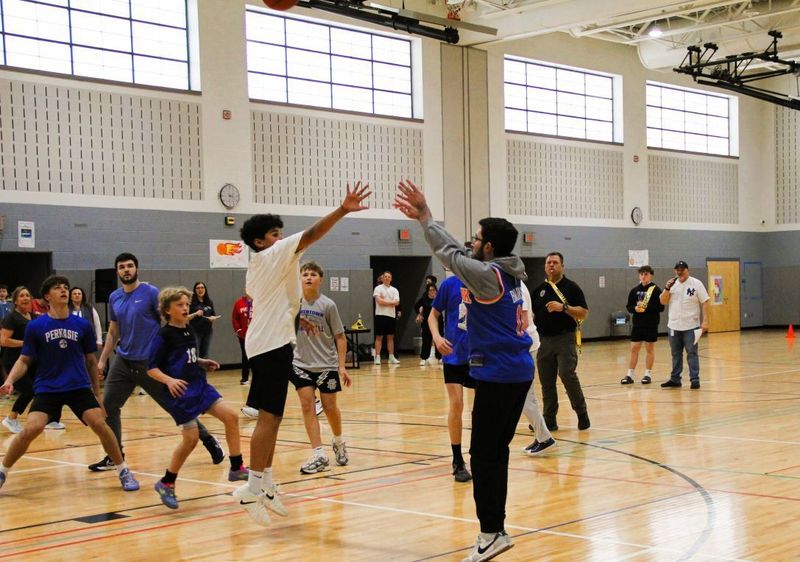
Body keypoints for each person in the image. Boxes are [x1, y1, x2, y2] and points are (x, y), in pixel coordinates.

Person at [395, 180, 531, 562]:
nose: (471, 242)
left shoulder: (490, 276)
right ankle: (496, 527)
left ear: (488, 246)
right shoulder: (511, 274)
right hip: (515, 372)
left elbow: (450, 254)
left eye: (477, 238)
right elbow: (458, 254)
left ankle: (491, 532)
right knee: (494, 452)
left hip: (500, 374)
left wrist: (425, 216)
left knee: (483, 454)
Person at [233, 181, 370, 527]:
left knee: (274, 417)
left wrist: (299, 323)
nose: (283, 238)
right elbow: (310, 234)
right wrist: (343, 210)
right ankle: (251, 487)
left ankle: (264, 482)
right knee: (268, 417)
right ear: (261, 241)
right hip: (269, 346)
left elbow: (280, 300)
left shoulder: (265, 265)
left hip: (271, 342)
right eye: (276, 233)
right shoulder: (271, 254)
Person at [0, 275, 139, 492]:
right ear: (47, 296)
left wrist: (97, 396)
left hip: (78, 387)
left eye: (66, 287)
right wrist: (9, 381)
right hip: (48, 388)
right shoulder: (36, 327)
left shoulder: (82, 325)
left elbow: (91, 362)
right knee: (31, 429)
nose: (64, 291)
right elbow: (24, 360)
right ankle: (2, 471)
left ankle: (123, 469)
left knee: (101, 424)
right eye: (58, 288)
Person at [89, 253, 223, 472]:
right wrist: (103, 360)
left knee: (175, 406)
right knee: (109, 407)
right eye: (122, 267)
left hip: (149, 363)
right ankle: (114, 456)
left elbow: (170, 322)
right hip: (123, 361)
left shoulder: (150, 293)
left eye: (130, 266)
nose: (126, 270)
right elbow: (114, 330)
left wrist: (187, 356)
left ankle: (208, 440)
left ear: (137, 269)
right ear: (117, 271)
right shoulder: (115, 297)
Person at [148, 287, 249, 509]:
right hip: (181, 392)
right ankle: (167, 482)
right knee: (191, 439)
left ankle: (236, 468)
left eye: (186, 304)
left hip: (200, 386)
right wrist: (169, 381)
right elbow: (151, 368)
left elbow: (186, 357)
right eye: (180, 305)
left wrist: (201, 362)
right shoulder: (164, 335)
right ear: (167, 310)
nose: (185, 308)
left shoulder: (188, 330)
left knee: (231, 417)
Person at [292, 262, 351, 474]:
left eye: (313, 274)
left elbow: (340, 337)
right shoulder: (293, 303)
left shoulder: (328, 305)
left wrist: (342, 366)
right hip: (300, 364)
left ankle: (339, 441)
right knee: (307, 406)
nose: (308, 277)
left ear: (320, 279)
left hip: (326, 364)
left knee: (330, 408)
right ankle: (318, 452)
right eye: (305, 274)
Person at [531, 252, 590, 431]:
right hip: (543, 340)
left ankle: (581, 412)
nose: (551, 265)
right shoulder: (539, 290)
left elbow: (583, 313)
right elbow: (532, 314)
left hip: (565, 339)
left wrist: (563, 308)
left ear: (562, 266)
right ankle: (549, 419)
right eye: (548, 262)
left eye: (555, 262)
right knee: (546, 381)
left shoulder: (572, 288)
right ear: (545, 266)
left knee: (567, 374)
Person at [429, 273, 473, 482]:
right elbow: (432, 315)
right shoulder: (449, 284)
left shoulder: (484, 281)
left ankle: (480, 454)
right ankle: (457, 459)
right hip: (454, 354)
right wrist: (437, 338)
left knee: (483, 408)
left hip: (480, 354)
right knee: (456, 405)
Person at [659, 261, 710, 390]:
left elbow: (705, 302)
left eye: (682, 269)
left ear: (688, 270)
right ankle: (675, 379)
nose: (679, 272)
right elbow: (662, 301)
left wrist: (705, 321)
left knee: (692, 353)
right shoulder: (672, 284)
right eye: (677, 269)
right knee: (676, 353)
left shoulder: (696, 284)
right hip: (674, 325)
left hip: (691, 326)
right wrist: (666, 288)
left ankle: (694, 379)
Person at [520, 283, 556, 456]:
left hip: (525, 345)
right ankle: (541, 436)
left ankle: (545, 439)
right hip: (527, 344)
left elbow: (524, 319)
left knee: (524, 397)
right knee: (527, 396)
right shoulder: (515, 283)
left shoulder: (515, 286)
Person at [621, 266, 664, 385]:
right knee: (634, 348)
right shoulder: (634, 290)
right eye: (641, 274)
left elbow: (661, 307)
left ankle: (647, 374)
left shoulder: (656, 290)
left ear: (651, 275)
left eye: (646, 274)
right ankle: (629, 374)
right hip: (638, 324)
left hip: (651, 323)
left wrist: (646, 307)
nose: (643, 276)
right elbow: (629, 306)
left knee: (649, 349)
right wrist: (635, 308)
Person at [1, 287, 35, 433]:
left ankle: (47, 419)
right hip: (14, 361)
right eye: (21, 296)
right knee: (29, 390)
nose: (25, 298)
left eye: (27, 295)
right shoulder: (11, 317)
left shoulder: (33, 317)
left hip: (32, 360)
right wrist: (24, 343)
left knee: (41, 388)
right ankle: (11, 418)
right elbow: (4, 341)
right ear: (15, 300)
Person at [373, 271, 400, 365]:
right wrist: (390, 302)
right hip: (380, 315)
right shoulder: (378, 288)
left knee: (390, 337)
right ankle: (377, 357)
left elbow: (397, 302)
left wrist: (385, 302)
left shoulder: (395, 290)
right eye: (385, 276)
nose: (387, 278)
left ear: (391, 279)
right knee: (379, 337)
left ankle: (391, 356)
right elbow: (379, 301)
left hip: (391, 316)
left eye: (389, 277)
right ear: (382, 278)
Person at [189, 282, 220, 359]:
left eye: (202, 287)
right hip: (196, 331)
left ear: (205, 289)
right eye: (198, 288)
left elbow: (213, 314)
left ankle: (203, 371)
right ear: (195, 290)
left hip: (207, 331)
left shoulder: (209, 302)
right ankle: (195, 371)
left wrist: (213, 318)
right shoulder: (191, 303)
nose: (200, 289)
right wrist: (196, 313)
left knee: (205, 354)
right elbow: (186, 317)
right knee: (196, 354)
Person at [415, 284, 442, 366]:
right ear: (427, 291)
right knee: (426, 340)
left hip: (438, 321)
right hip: (426, 323)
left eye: (434, 290)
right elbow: (416, 306)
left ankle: (440, 357)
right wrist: (420, 314)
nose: (432, 291)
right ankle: (424, 358)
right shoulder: (424, 299)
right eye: (430, 290)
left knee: (438, 339)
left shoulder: (439, 298)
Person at [231, 290, 253, 385]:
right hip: (243, 335)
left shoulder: (258, 302)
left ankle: (259, 377)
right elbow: (234, 318)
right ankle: (245, 378)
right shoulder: (238, 302)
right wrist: (238, 330)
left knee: (257, 356)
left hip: (256, 335)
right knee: (245, 355)